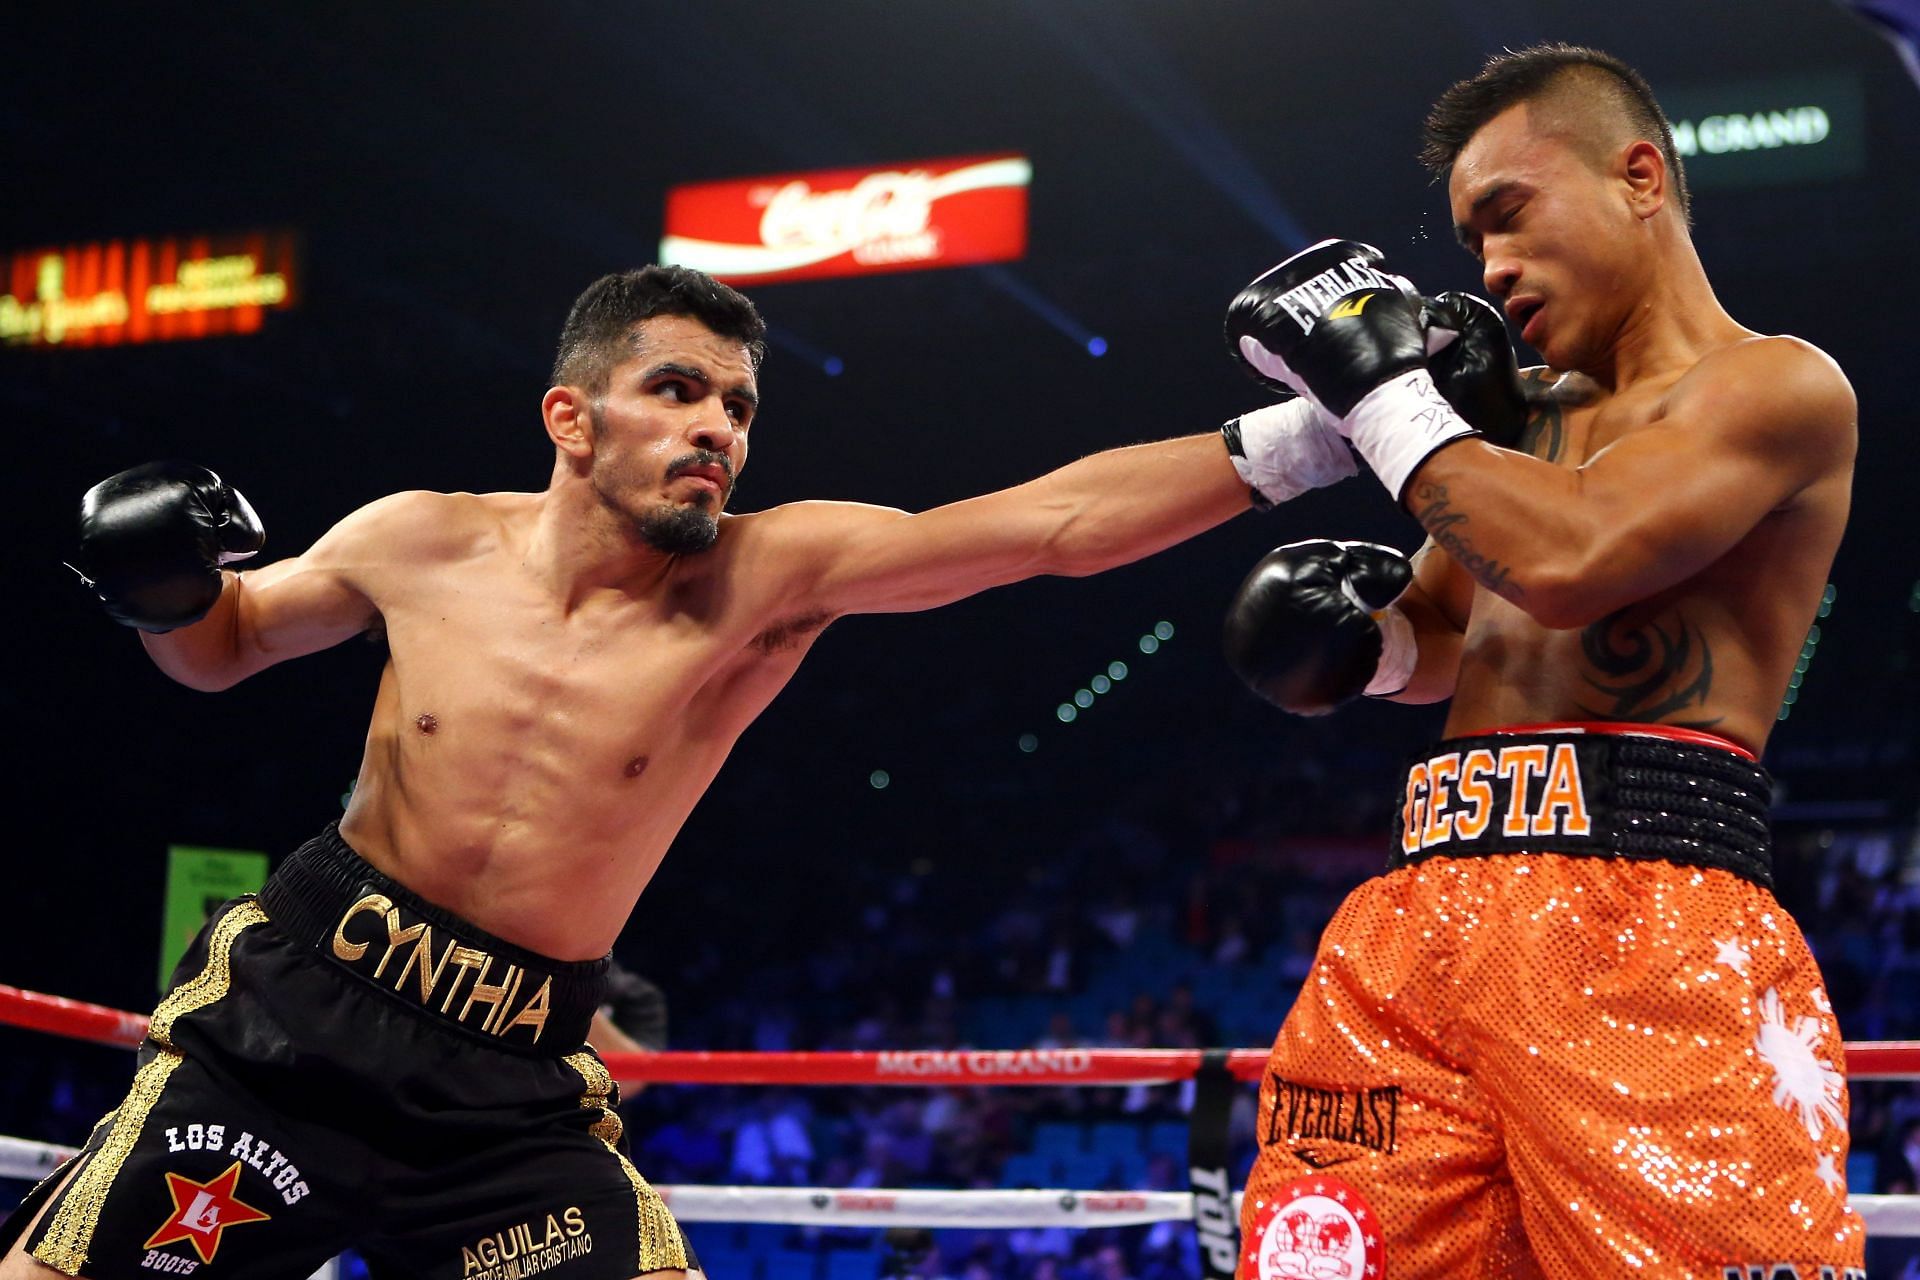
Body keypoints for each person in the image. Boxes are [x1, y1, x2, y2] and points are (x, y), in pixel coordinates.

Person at [5, 265, 1360, 1280]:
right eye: (678, 390)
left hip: (506, 1084)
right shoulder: (417, 539)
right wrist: (164, 595)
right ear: (571, 417)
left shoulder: (768, 577)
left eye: (738, 405)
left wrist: (1303, 444)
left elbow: (1042, 530)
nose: (718, 426)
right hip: (283, 1035)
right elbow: (223, 651)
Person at [1220, 45, 1865, 1279]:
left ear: (1639, 177)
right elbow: (1462, 633)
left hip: (1649, 918)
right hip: (1417, 920)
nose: (1492, 267)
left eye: (1508, 216)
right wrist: (1365, 643)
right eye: (1471, 245)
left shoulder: (1775, 386)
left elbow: (1575, 560)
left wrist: (1385, 398)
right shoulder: (1524, 419)